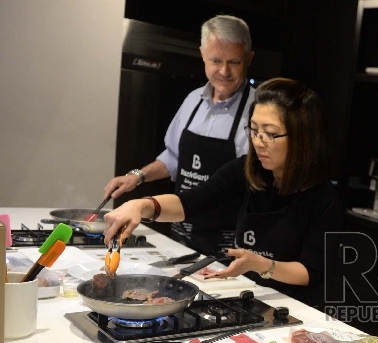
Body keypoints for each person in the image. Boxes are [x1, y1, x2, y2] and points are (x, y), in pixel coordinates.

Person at [103, 77, 342, 308]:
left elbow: (310, 272)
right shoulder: (247, 170)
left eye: (270, 133)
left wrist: (261, 264)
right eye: (255, 130)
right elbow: (190, 203)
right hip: (250, 293)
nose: (258, 142)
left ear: (302, 137)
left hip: (293, 307)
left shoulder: (322, 198)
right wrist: (142, 206)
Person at [103, 15, 256, 256]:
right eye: (216, 60)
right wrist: (137, 176)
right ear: (203, 55)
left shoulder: (258, 111)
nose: (224, 71)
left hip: (228, 240)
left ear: (249, 59)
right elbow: (175, 157)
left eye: (234, 62)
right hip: (181, 231)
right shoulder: (193, 100)